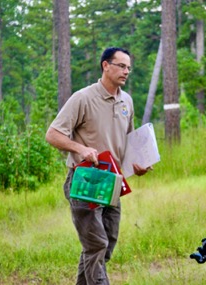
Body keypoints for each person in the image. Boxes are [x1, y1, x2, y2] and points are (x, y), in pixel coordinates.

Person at [46, 47, 150, 285]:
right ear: (106, 65)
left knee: (106, 244)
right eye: (121, 66)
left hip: (113, 181)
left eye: (128, 68)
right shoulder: (83, 98)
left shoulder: (127, 100)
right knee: (96, 244)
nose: (126, 71)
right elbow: (52, 134)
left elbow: (128, 140)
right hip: (86, 179)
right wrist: (80, 149)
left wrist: (138, 165)